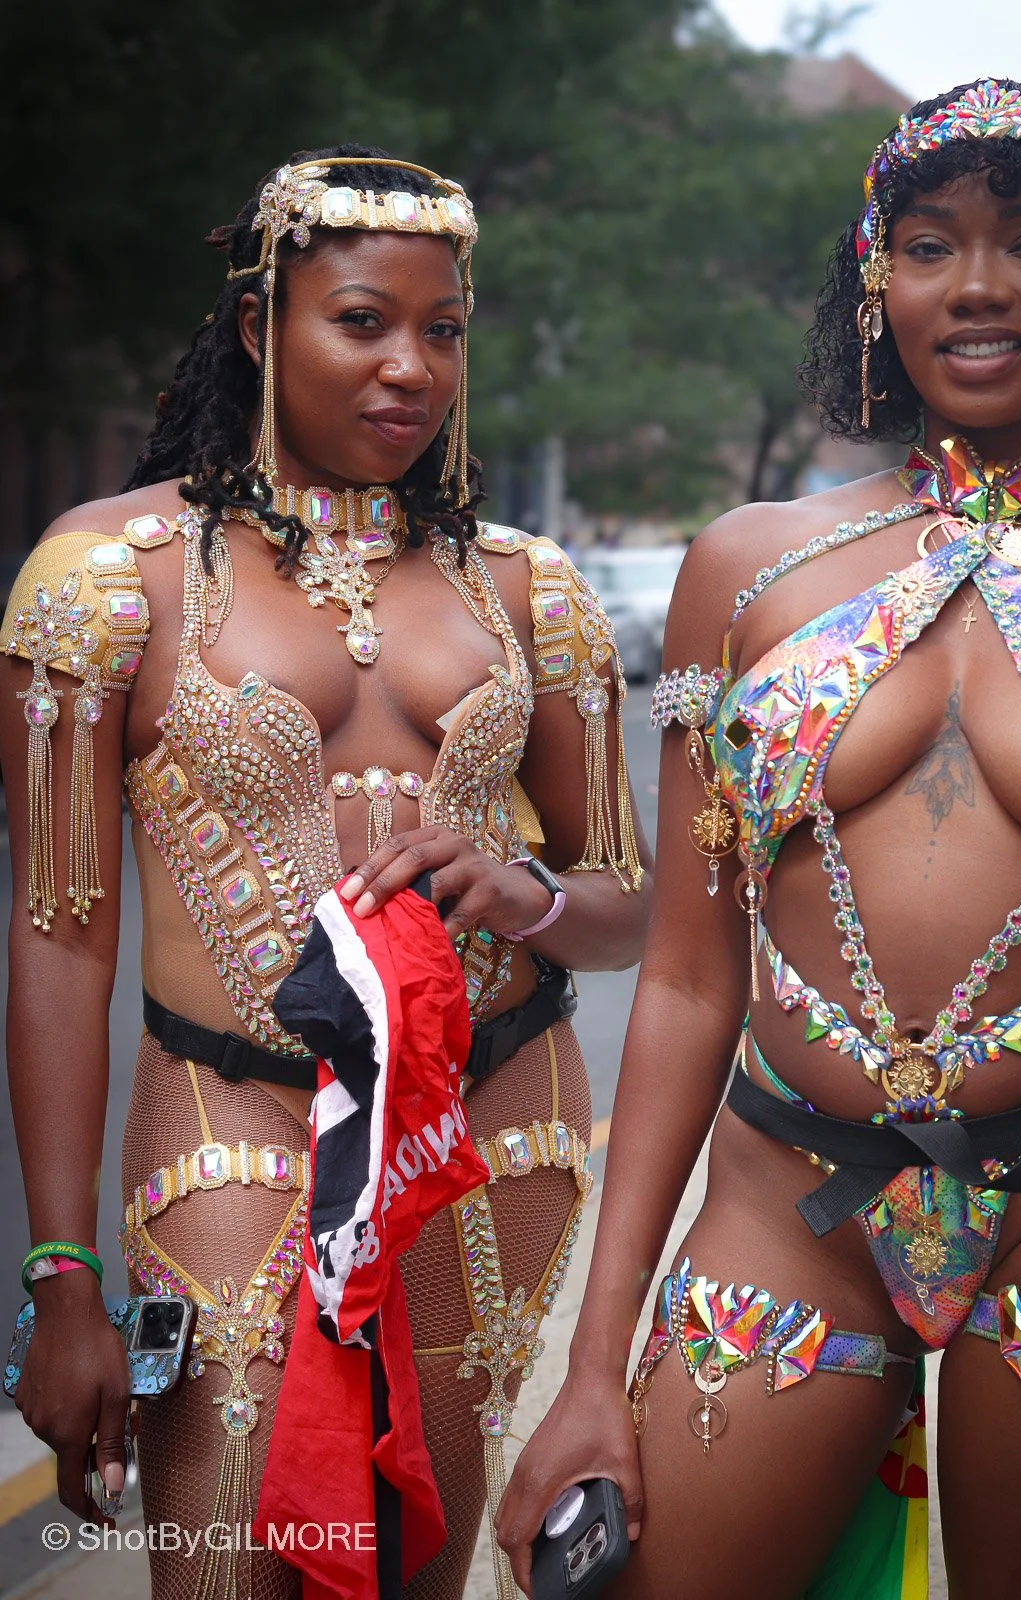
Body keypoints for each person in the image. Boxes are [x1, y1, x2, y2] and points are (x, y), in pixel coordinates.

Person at [497, 79, 1021, 1598]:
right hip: (787, 1202)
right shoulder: (746, 567)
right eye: (927, 243)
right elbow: (686, 982)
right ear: (875, 278)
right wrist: (590, 1369)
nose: (973, 287)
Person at [2, 144, 649, 1600]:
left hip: (486, 1121)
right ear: (258, 327)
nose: (409, 366)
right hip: (230, 1110)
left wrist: (527, 892)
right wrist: (60, 1279)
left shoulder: (530, 588)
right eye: (362, 320)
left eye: (442, 329)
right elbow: (58, 941)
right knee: (228, 1546)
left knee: (423, 1538)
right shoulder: (110, 578)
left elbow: (626, 905)